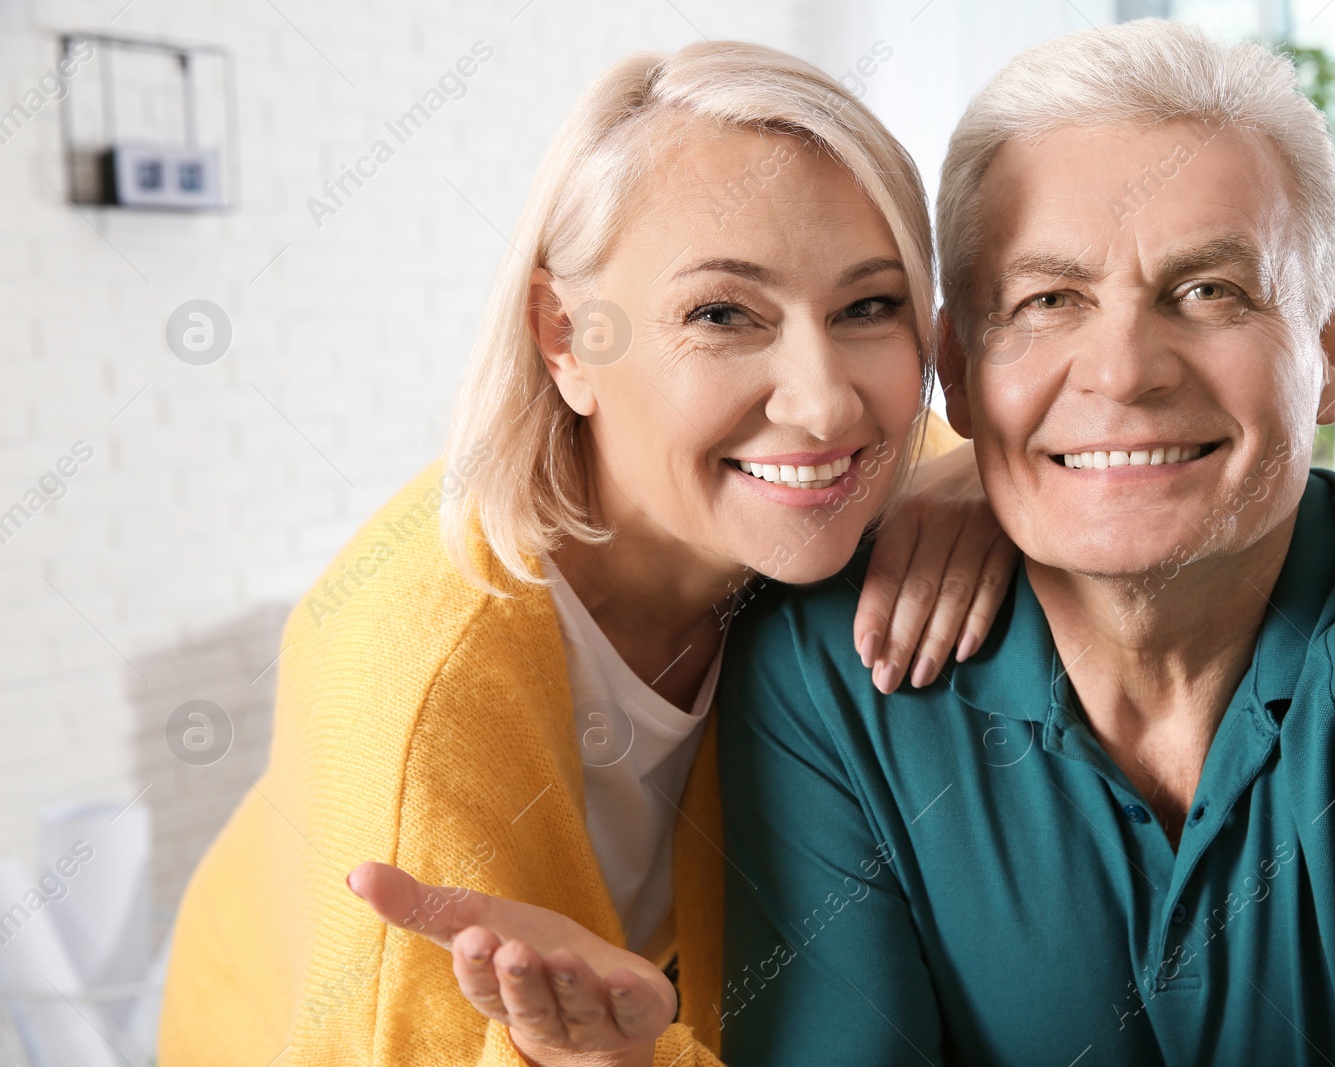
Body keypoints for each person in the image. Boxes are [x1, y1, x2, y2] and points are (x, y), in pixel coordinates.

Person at [716, 20, 1335, 1065]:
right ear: (954, 367)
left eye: (1210, 292)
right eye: (1049, 300)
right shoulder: (830, 668)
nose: (1124, 370)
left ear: (1331, 351)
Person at [156, 41, 1017, 1067]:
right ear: (565, 336)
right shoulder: (428, 684)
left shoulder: (794, 493)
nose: (823, 398)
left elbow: (908, 436)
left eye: (867, 306)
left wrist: (993, 466)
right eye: (721, 314)